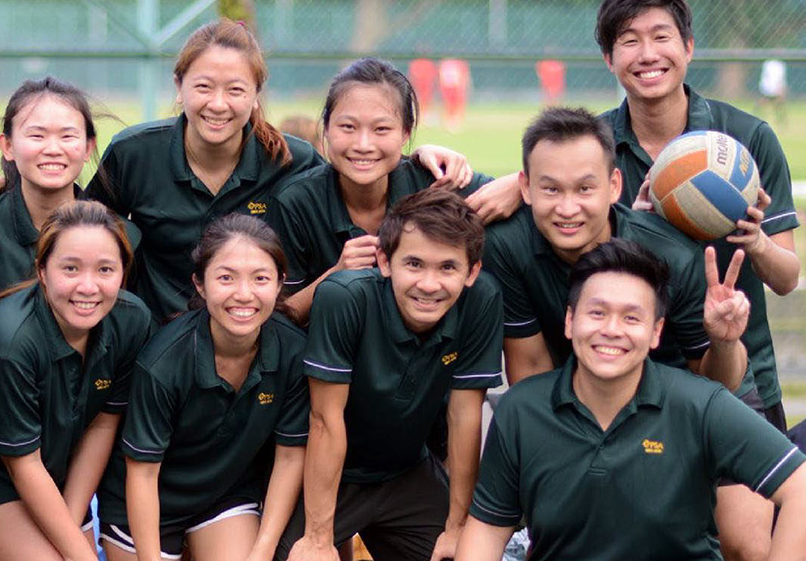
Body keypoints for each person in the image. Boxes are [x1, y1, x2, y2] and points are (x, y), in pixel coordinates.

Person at [0, 20, 473, 322]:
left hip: (254, 338)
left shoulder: (292, 160)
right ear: (179, 86)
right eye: (203, 87)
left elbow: (355, 165)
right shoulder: (135, 153)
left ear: (256, 95)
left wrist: (418, 154)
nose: (218, 104)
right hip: (156, 342)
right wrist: (4, 179)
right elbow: (79, 216)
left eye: (235, 90)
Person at [596, 0, 804, 558]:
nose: (647, 54)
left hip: (737, 375)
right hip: (630, 381)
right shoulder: (594, 146)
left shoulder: (747, 137)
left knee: (744, 545)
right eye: (629, 41)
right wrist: (635, 232)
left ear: (688, 47)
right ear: (609, 58)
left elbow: (787, 278)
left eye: (661, 36)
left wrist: (755, 240)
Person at [455, 240, 806, 561]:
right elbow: (488, 529)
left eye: (631, 318)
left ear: (655, 332)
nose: (611, 329)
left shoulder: (700, 405)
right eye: (597, 312)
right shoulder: (522, 409)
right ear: (570, 321)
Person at [279, 188, 504, 561]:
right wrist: (318, 537)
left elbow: (465, 415)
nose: (429, 284)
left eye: (448, 267)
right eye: (414, 264)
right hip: (333, 473)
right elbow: (325, 419)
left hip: (406, 472)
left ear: (472, 272)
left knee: (466, 554)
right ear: (384, 261)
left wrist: (456, 526)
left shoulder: (482, 298)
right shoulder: (345, 297)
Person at [486, 107, 750, 392]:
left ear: (614, 185)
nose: (567, 209)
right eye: (551, 189)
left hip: (673, 401)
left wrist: (725, 343)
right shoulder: (508, 245)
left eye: (585, 189)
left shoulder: (673, 256)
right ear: (525, 187)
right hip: (569, 400)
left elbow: (718, 383)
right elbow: (531, 367)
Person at [0, 201, 156, 561]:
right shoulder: (8, 341)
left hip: (55, 473)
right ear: (42, 270)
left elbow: (103, 424)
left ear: (123, 272)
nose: (88, 286)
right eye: (70, 268)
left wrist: (72, 523)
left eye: (105, 269)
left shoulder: (131, 320)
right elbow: (22, 464)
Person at [98, 215, 308, 561]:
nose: (244, 294)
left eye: (260, 278)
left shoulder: (293, 351)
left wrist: (262, 551)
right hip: (147, 502)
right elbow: (143, 474)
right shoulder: (162, 362)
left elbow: (289, 457)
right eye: (226, 278)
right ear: (200, 283)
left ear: (280, 282)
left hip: (222, 496)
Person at [272, 57, 521, 323]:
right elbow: (277, 318)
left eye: (381, 129)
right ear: (326, 128)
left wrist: (518, 183)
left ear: (405, 133)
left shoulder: (435, 180)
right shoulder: (296, 200)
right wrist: (335, 274)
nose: (363, 144)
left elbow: (540, 189)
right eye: (348, 127)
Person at [0, 77, 106, 300]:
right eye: (37, 135)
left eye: (67, 136)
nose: (53, 149)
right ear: (8, 146)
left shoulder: (116, 236)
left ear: (88, 147)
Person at [757, 59, 788, 127]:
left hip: (777, 87)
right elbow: (764, 77)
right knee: (762, 104)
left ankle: (780, 121)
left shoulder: (781, 64)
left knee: (779, 105)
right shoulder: (767, 63)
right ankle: (757, 118)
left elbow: (781, 78)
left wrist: (781, 88)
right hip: (767, 88)